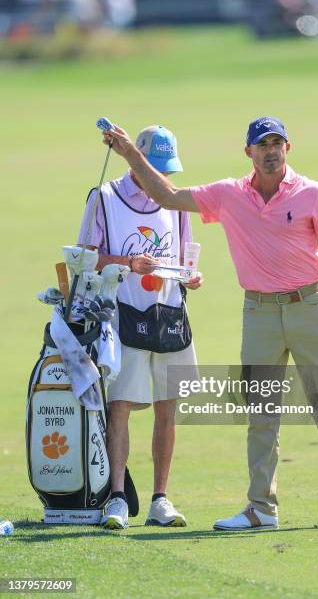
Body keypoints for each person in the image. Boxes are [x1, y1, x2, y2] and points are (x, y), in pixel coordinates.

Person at [102, 116, 318, 530]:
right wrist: (130, 152)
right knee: (262, 412)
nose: (271, 150)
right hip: (258, 313)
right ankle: (261, 508)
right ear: (249, 152)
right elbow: (166, 196)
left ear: (287, 148)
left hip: (309, 306)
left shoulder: (312, 194)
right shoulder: (228, 195)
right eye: (263, 144)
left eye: (278, 143)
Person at [78, 125, 203, 530]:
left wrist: (190, 277)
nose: (161, 179)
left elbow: (184, 259)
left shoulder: (177, 202)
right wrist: (128, 264)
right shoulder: (105, 198)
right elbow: (83, 259)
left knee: (168, 409)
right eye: (154, 167)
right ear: (136, 163)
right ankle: (116, 497)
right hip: (122, 315)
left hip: (169, 313)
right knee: (121, 408)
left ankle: (159, 500)